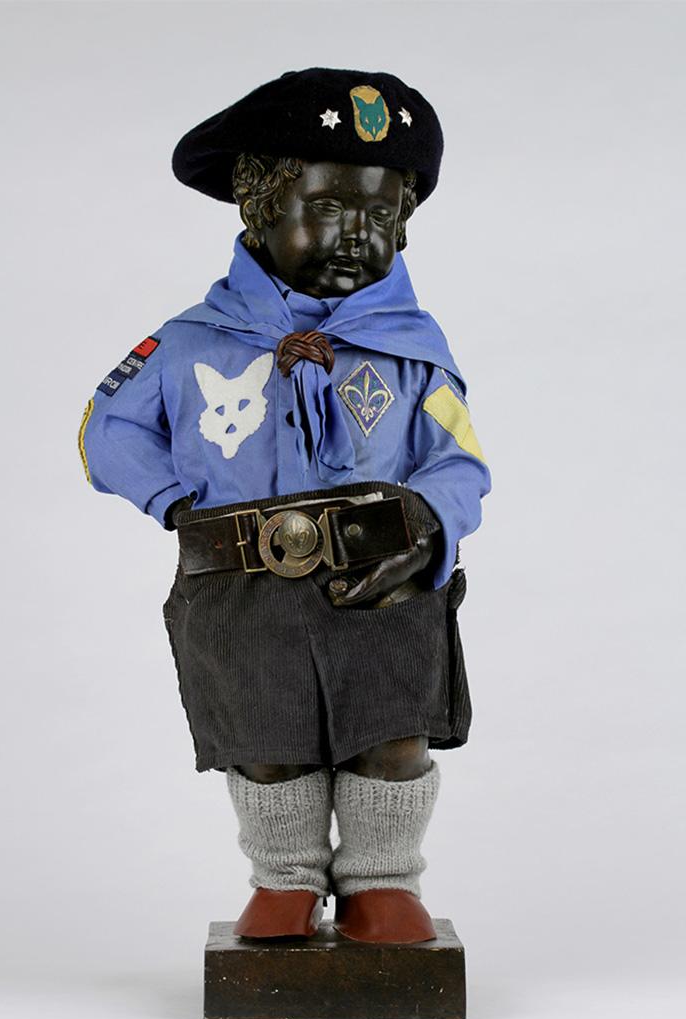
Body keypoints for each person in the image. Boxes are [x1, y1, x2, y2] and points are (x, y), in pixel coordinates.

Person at [79, 67, 491, 944]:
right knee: (267, 741)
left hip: (383, 580)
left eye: (381, 212)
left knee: (392, 734)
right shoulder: (190, 342)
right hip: (243, 581)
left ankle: (383, 883)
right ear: (260, 206)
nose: (357, 232)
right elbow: (106, 429)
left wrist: (429, 525)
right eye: (329, 205)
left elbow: (459, 459)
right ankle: (285, 881)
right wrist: (177, 504)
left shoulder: (412, 351)